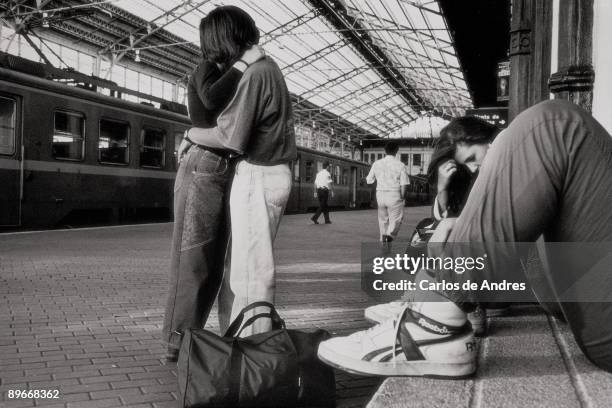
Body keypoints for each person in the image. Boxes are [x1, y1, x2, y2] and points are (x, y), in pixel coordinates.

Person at [318, 100, 612, 377]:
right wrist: (448, 199)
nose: (473, 168)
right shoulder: (490, 179)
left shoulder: (512, 157)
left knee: (552, 125)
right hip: (558, 285)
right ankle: (427, 308)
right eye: (466, 164)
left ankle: (431, 322)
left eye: (474, 157)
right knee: (550, 125)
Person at [182, 6, 297, 337]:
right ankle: (248, 344)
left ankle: (253, 350)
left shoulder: (256, 73)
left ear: (222, 39)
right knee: (249, 268)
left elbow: (230, 137)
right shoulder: (268, 68)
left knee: (250, 273)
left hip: (258, 176)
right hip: (270, 174)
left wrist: (190, 135)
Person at [161, 8, 264, 363]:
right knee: (195, 258)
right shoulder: (206, 69)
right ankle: (176, 342)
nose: (253, 41)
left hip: (221, 166)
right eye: (246, 34)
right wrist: (244, 64)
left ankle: (193, 339)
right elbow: (210, 100)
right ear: (230, 36)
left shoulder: (233, 74)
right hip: (204, 166)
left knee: (214, 260)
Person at [366, 141, 410, 242]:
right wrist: (403, 197)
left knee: (383, 221)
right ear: (396, 151)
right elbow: (404, 184)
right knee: (396, 220)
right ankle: (390, 236)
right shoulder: (400, 165)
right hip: (394, 195)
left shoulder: (376, 163)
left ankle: (383, 242)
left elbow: (369, 180)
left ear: (385, 151)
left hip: (380, 195)